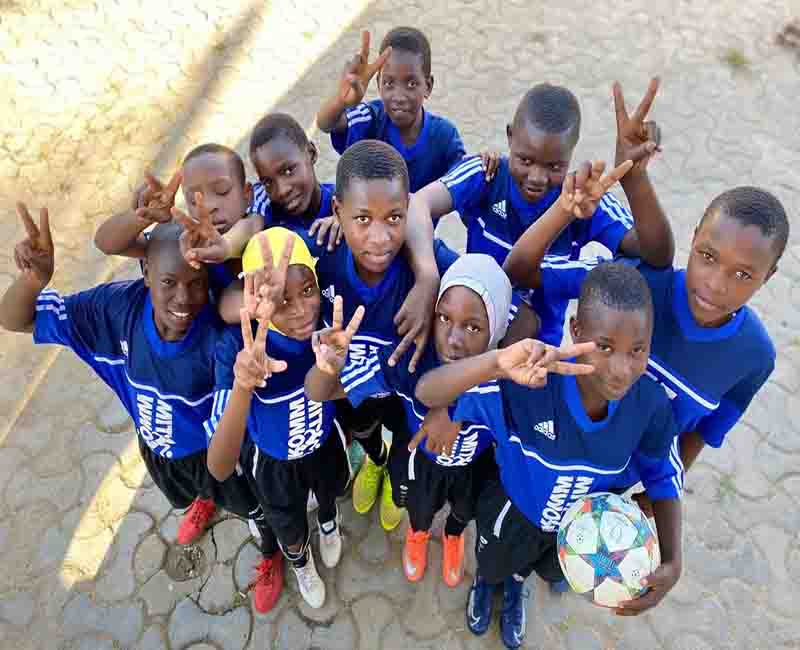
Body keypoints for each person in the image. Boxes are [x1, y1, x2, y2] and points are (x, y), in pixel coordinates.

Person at [1, 209, 279, 613]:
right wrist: (34, 279)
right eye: (168, 282)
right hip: (156, 445)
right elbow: (16, 318)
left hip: (216, 453)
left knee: (253, 506)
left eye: (197, 283)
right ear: (145, 271)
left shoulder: (220, 339)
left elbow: (255, 225)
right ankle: (202, 498)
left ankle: (271, 553)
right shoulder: (114, 312)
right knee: (184, 492)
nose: (184, 298)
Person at [415, 263, 684, 649]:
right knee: (493, 561)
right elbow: (428, 392)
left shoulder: (651, 406)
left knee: (535, 570)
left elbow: (663, 476)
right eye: (605, 347)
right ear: (575, 330)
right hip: (512, 511)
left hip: (578, 532)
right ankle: (486, 582)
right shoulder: (532, 386)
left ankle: (514, 589)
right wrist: (494, 365)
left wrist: (673, 560)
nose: (621, 370)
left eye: (637, 350)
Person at [504, 183, 788, 510]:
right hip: (546, 453)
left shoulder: (755, 358)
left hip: (615, 486)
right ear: (694, 237)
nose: (715, 284)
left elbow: (705, 432)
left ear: (768, 276)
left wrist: (663, 488)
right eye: (708, 257)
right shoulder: (636, 284)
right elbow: (522, 271)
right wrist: (563, 210)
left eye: (743, 274)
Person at [218, 139, 444, 530]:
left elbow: (497, 318)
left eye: (393, 218)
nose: (379, 237)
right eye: (362, 219)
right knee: (366, 436)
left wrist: (429, 276)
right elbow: (229, 302)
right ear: (337, 211)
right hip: (341, 392)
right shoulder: (317, 250)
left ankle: (393, 477)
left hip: (403, 395)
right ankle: (373, 462)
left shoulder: (427, 264)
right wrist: (253, 303)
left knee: (402, 453)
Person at [306, 253, 519, 587]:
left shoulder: (507, 376)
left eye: (473, 326)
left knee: (464, 511)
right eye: (444, 318)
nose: (454, 338)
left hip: (474, 467)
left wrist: (454, 410)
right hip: (420, 462)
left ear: (496, 332)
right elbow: (321, 392)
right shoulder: (409, 359)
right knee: (419, 509)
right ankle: (418, 535)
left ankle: (452, 536)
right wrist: (327, 367)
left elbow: (530, 323)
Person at [408, 78, 673, 344]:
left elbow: (656, 253)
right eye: (525, 160)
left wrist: (634, 178)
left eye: (554, 166)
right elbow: (417, 204)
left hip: (539, 351)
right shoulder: (486, 175)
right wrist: (426, 276)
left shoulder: (583, 198)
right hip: (469, 336)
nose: (536, 177)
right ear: (510, 136)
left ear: (571, 154)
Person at [206, 228, 354, 611]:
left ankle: (328, 523)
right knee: (288, 529)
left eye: (307, 292)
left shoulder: (329, 337)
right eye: (281, 300)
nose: (302, 310)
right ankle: (302, 562)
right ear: (256, 299)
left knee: (329, 496)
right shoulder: (241, 350)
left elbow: (349, 391)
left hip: (323, 444)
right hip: (273, 464)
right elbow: (220, 467)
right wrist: (242, 387)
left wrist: (330, 369)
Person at [179, 113, 344, 272]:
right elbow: (251, 225)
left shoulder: (343, 199)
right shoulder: (263, 197)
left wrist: (348, 219)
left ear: (311, 153)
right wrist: (227, 246)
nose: (282, 190)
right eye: (268, 181)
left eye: (288, 170)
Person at [93, 144, 261, 296]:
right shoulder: (187, 242)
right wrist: (142, 217)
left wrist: (224, 247)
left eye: (222, 191)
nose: (208, 206)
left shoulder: (260, 224)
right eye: (194, 200)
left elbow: (247, 230)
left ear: (247, 195)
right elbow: (105, 243)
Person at [317, 28, 467, 192]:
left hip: (419, 218)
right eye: (389, 83)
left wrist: (486, 161)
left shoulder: (444, 136)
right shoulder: (370, 118)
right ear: (378, 83)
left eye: (411, 84)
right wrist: (341, 100)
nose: (399, 97)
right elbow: (326, 124)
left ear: (428, 86)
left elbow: (466, 174)